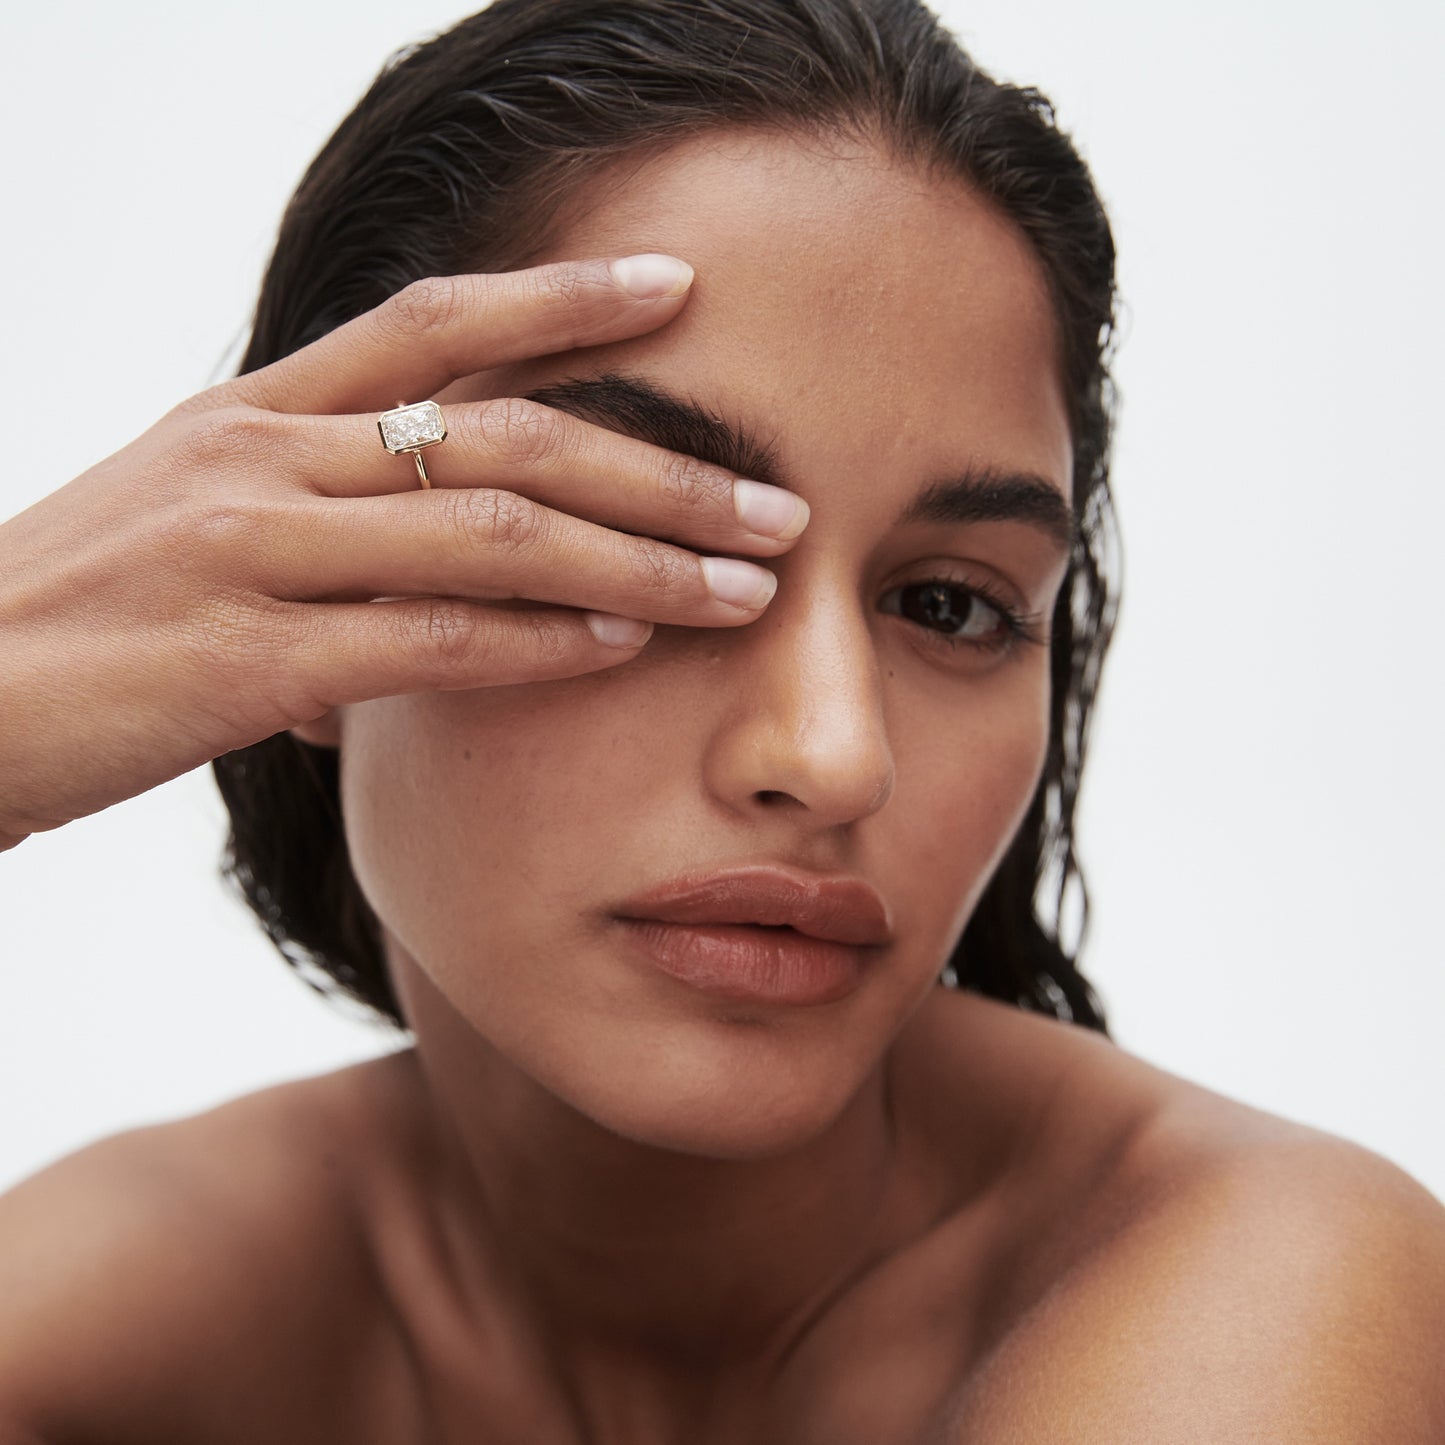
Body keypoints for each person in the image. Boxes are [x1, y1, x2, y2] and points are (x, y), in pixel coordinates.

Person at [0, 0, 1441, 1440]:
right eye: (625, 540)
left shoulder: (1271, 1274)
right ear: (304, 588)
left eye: (949, 605)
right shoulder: (122, 1294)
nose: (829, 754)